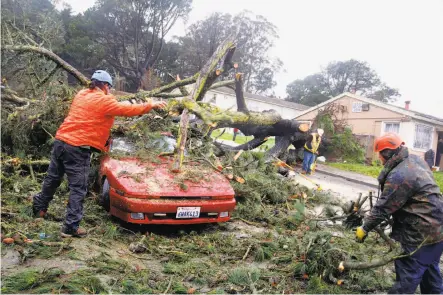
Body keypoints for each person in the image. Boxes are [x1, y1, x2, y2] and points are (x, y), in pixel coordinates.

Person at [32, 70, 167, 238]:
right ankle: (70, 227)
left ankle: (39, 209)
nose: (110, 90)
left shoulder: (81, 94)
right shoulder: (105, 100)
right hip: (78, 147)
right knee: (78, 188)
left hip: (61, 141)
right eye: (109, 87)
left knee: (52, 178)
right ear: (105, 85)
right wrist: (150, 105)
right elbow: (126, 110)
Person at [355, 133, 443, 294]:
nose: (379, 159)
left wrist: (364, 228)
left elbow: (383, 208)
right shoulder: (415, 160)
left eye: (379, 155)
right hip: (437, 230)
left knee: (407, 278)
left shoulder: (399, 175)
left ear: (386, 153)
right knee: (431, 273)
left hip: (418, 235)